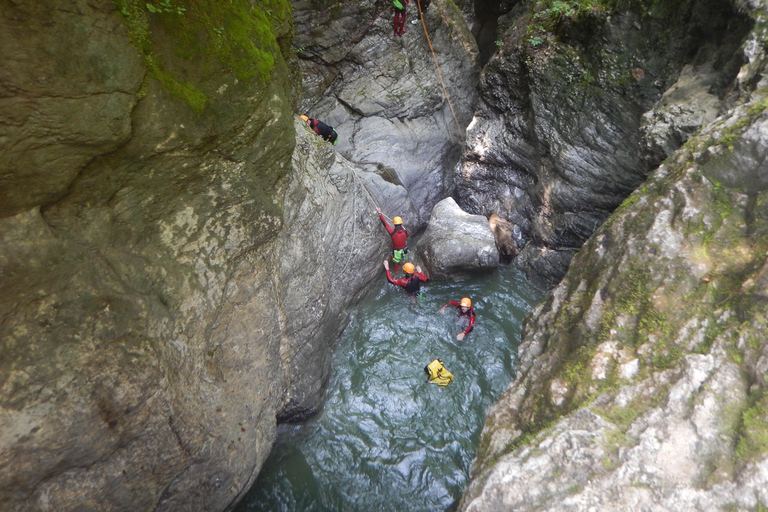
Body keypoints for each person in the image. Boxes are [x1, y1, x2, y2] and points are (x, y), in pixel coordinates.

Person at [377, 207, 409, 273]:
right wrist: (403, 228)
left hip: (396, 253)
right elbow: (407, 234)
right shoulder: (405, 232)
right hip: (404, 252)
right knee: (404, 262)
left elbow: (385, 224)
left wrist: (379, 213)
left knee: (396, 264)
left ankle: (397, 274)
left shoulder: (392, 232)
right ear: (401, 224)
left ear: (394, 225)